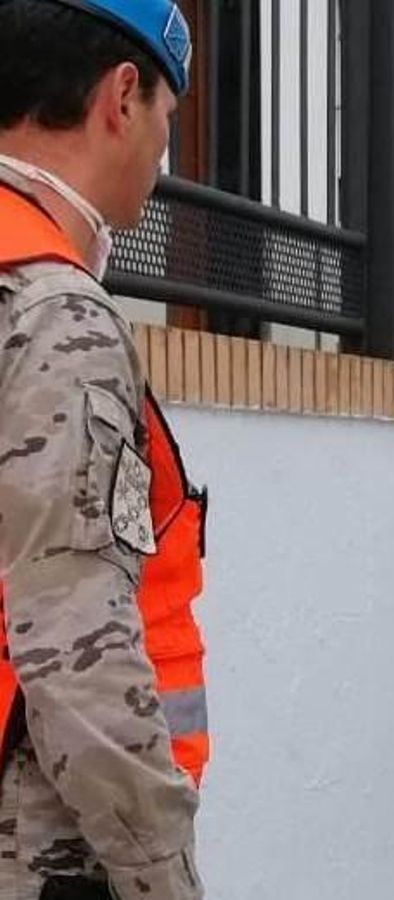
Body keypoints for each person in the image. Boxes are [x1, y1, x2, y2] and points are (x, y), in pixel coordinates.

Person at [0, 2, 207, 899]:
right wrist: (163, 879)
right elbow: (76, 646)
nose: (164, 151)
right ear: (122, 97)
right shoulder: (58, 317)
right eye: (168, 115)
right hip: (38, 846)